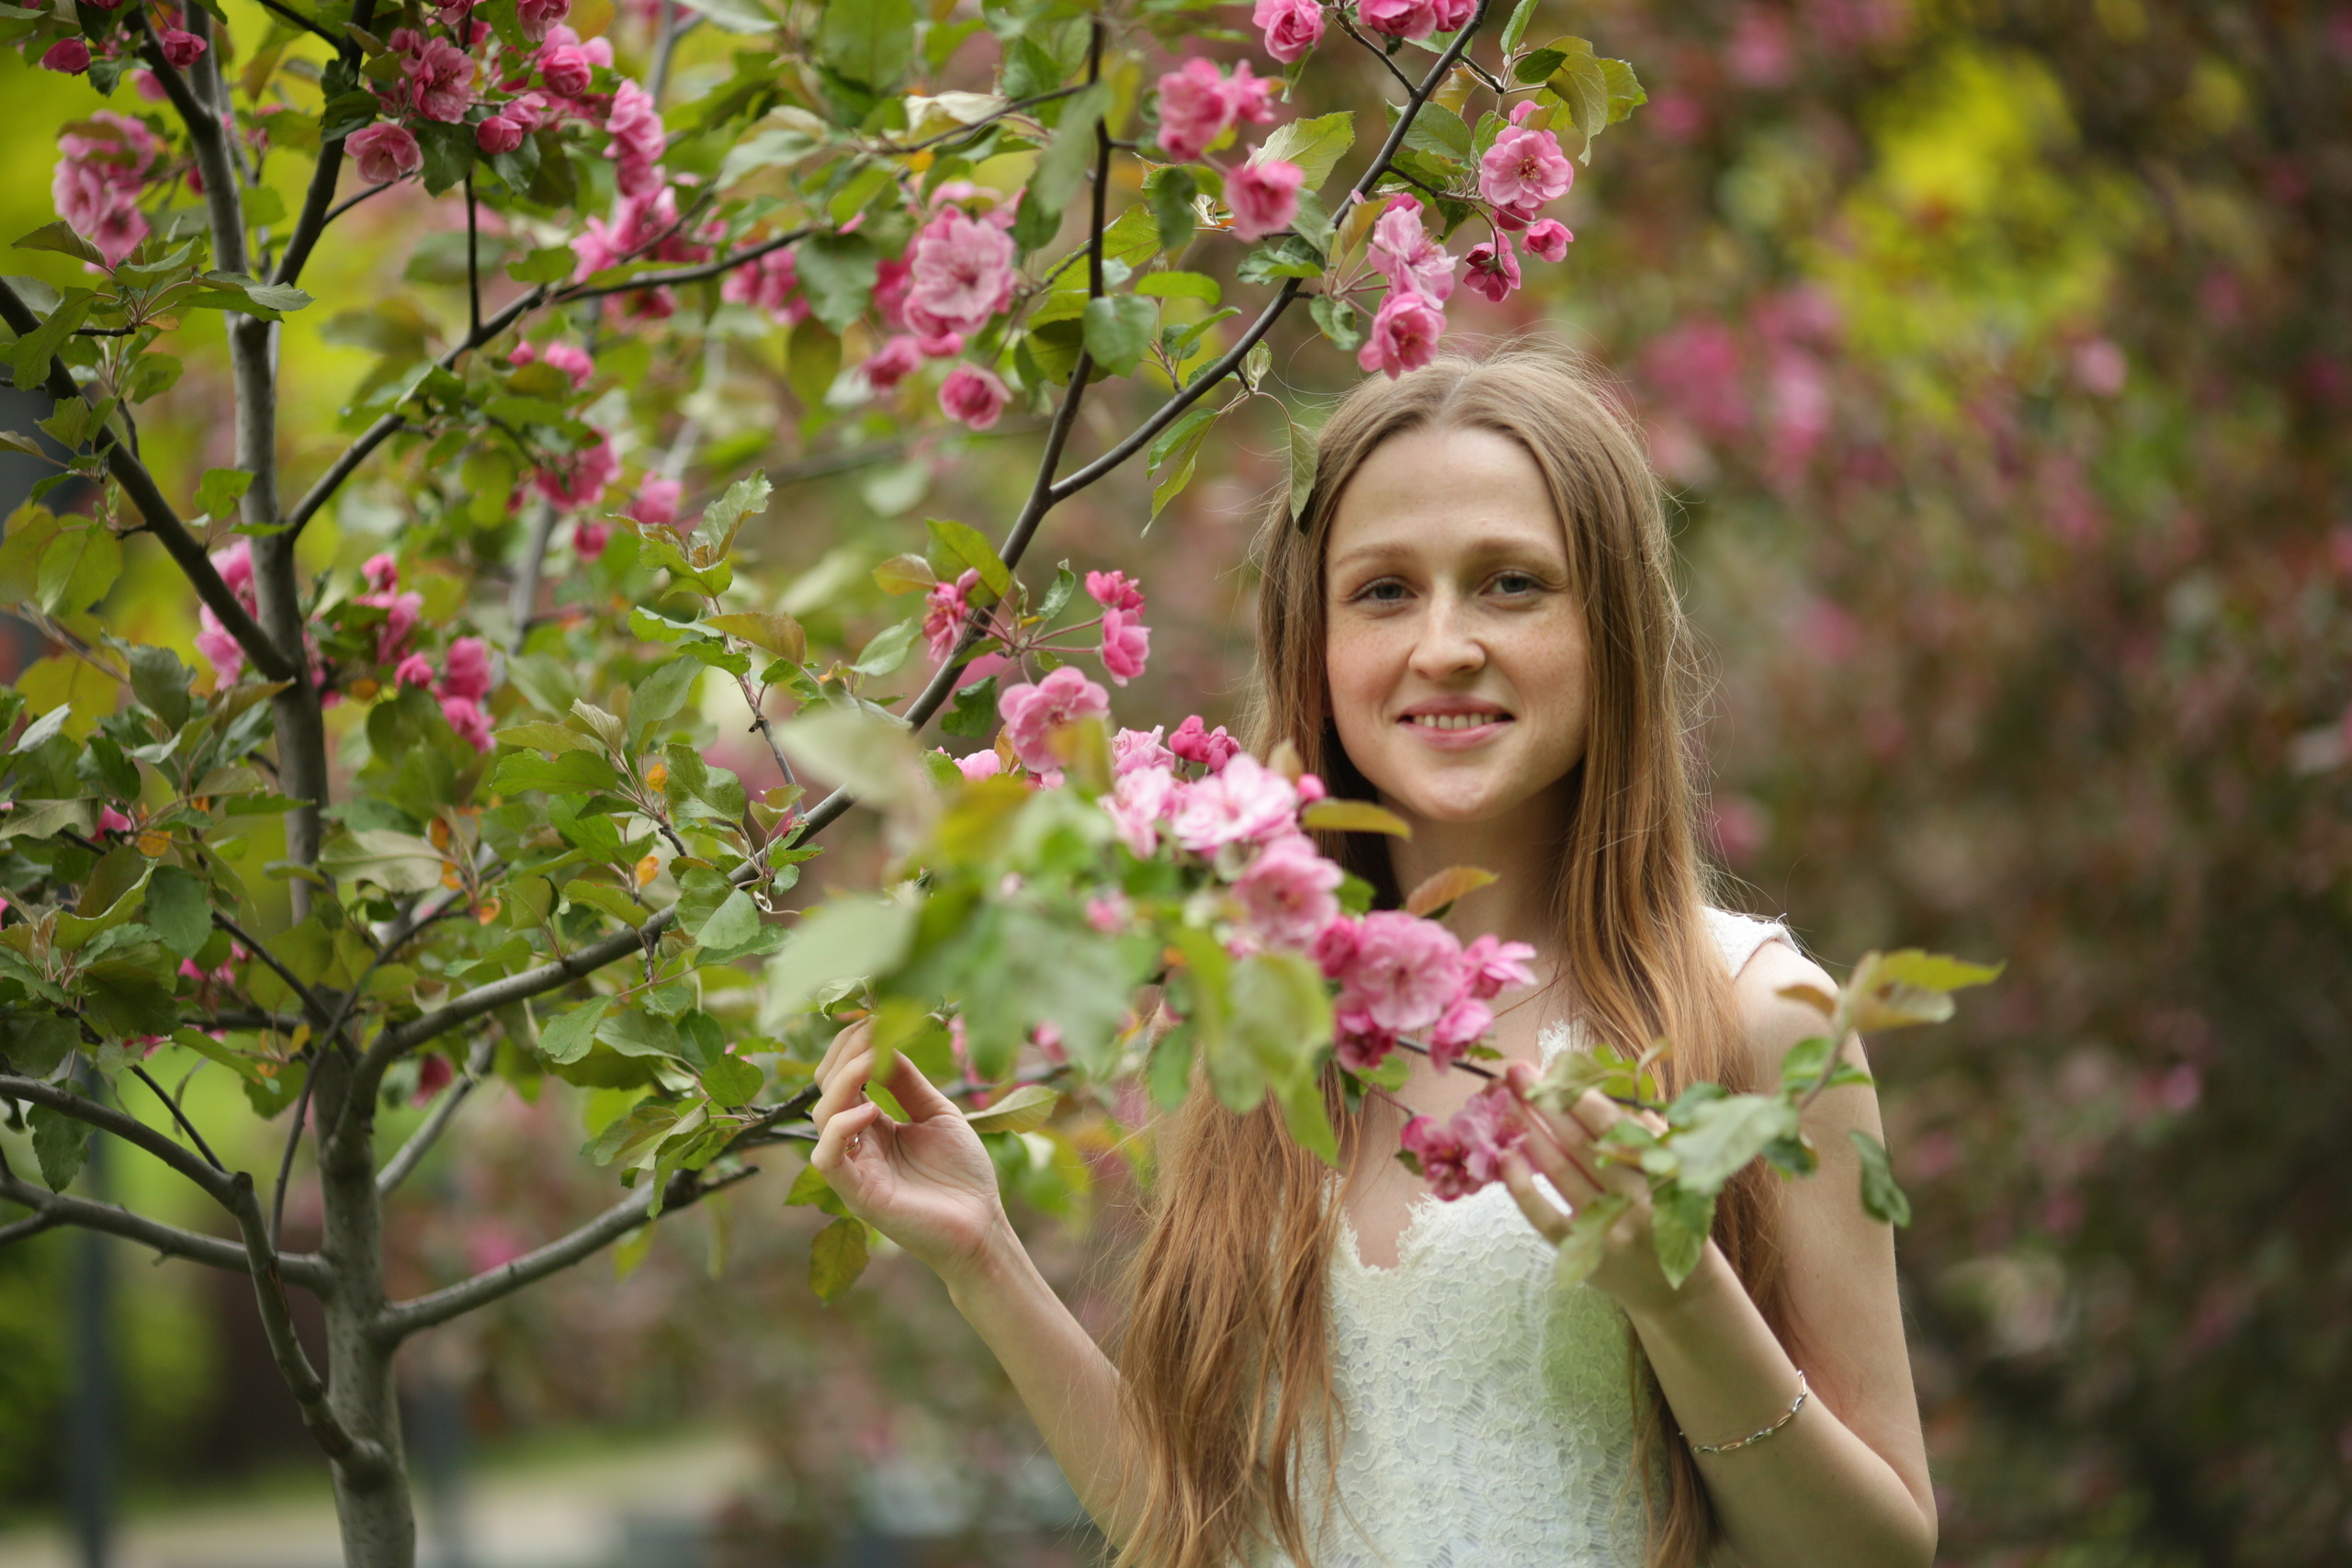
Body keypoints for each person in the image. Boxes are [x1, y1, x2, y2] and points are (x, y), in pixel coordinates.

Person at [808, 348, 1935, 1568]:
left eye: (1512, 584)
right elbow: (1212, 1536)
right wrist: (982, 1257)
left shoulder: (1761, 1015)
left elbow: (1873, 1554)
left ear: (1611, 625)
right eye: (1386, 592)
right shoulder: (1251, 1015)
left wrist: (1681, 1297)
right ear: (1318, 646)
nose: (1445, 645)